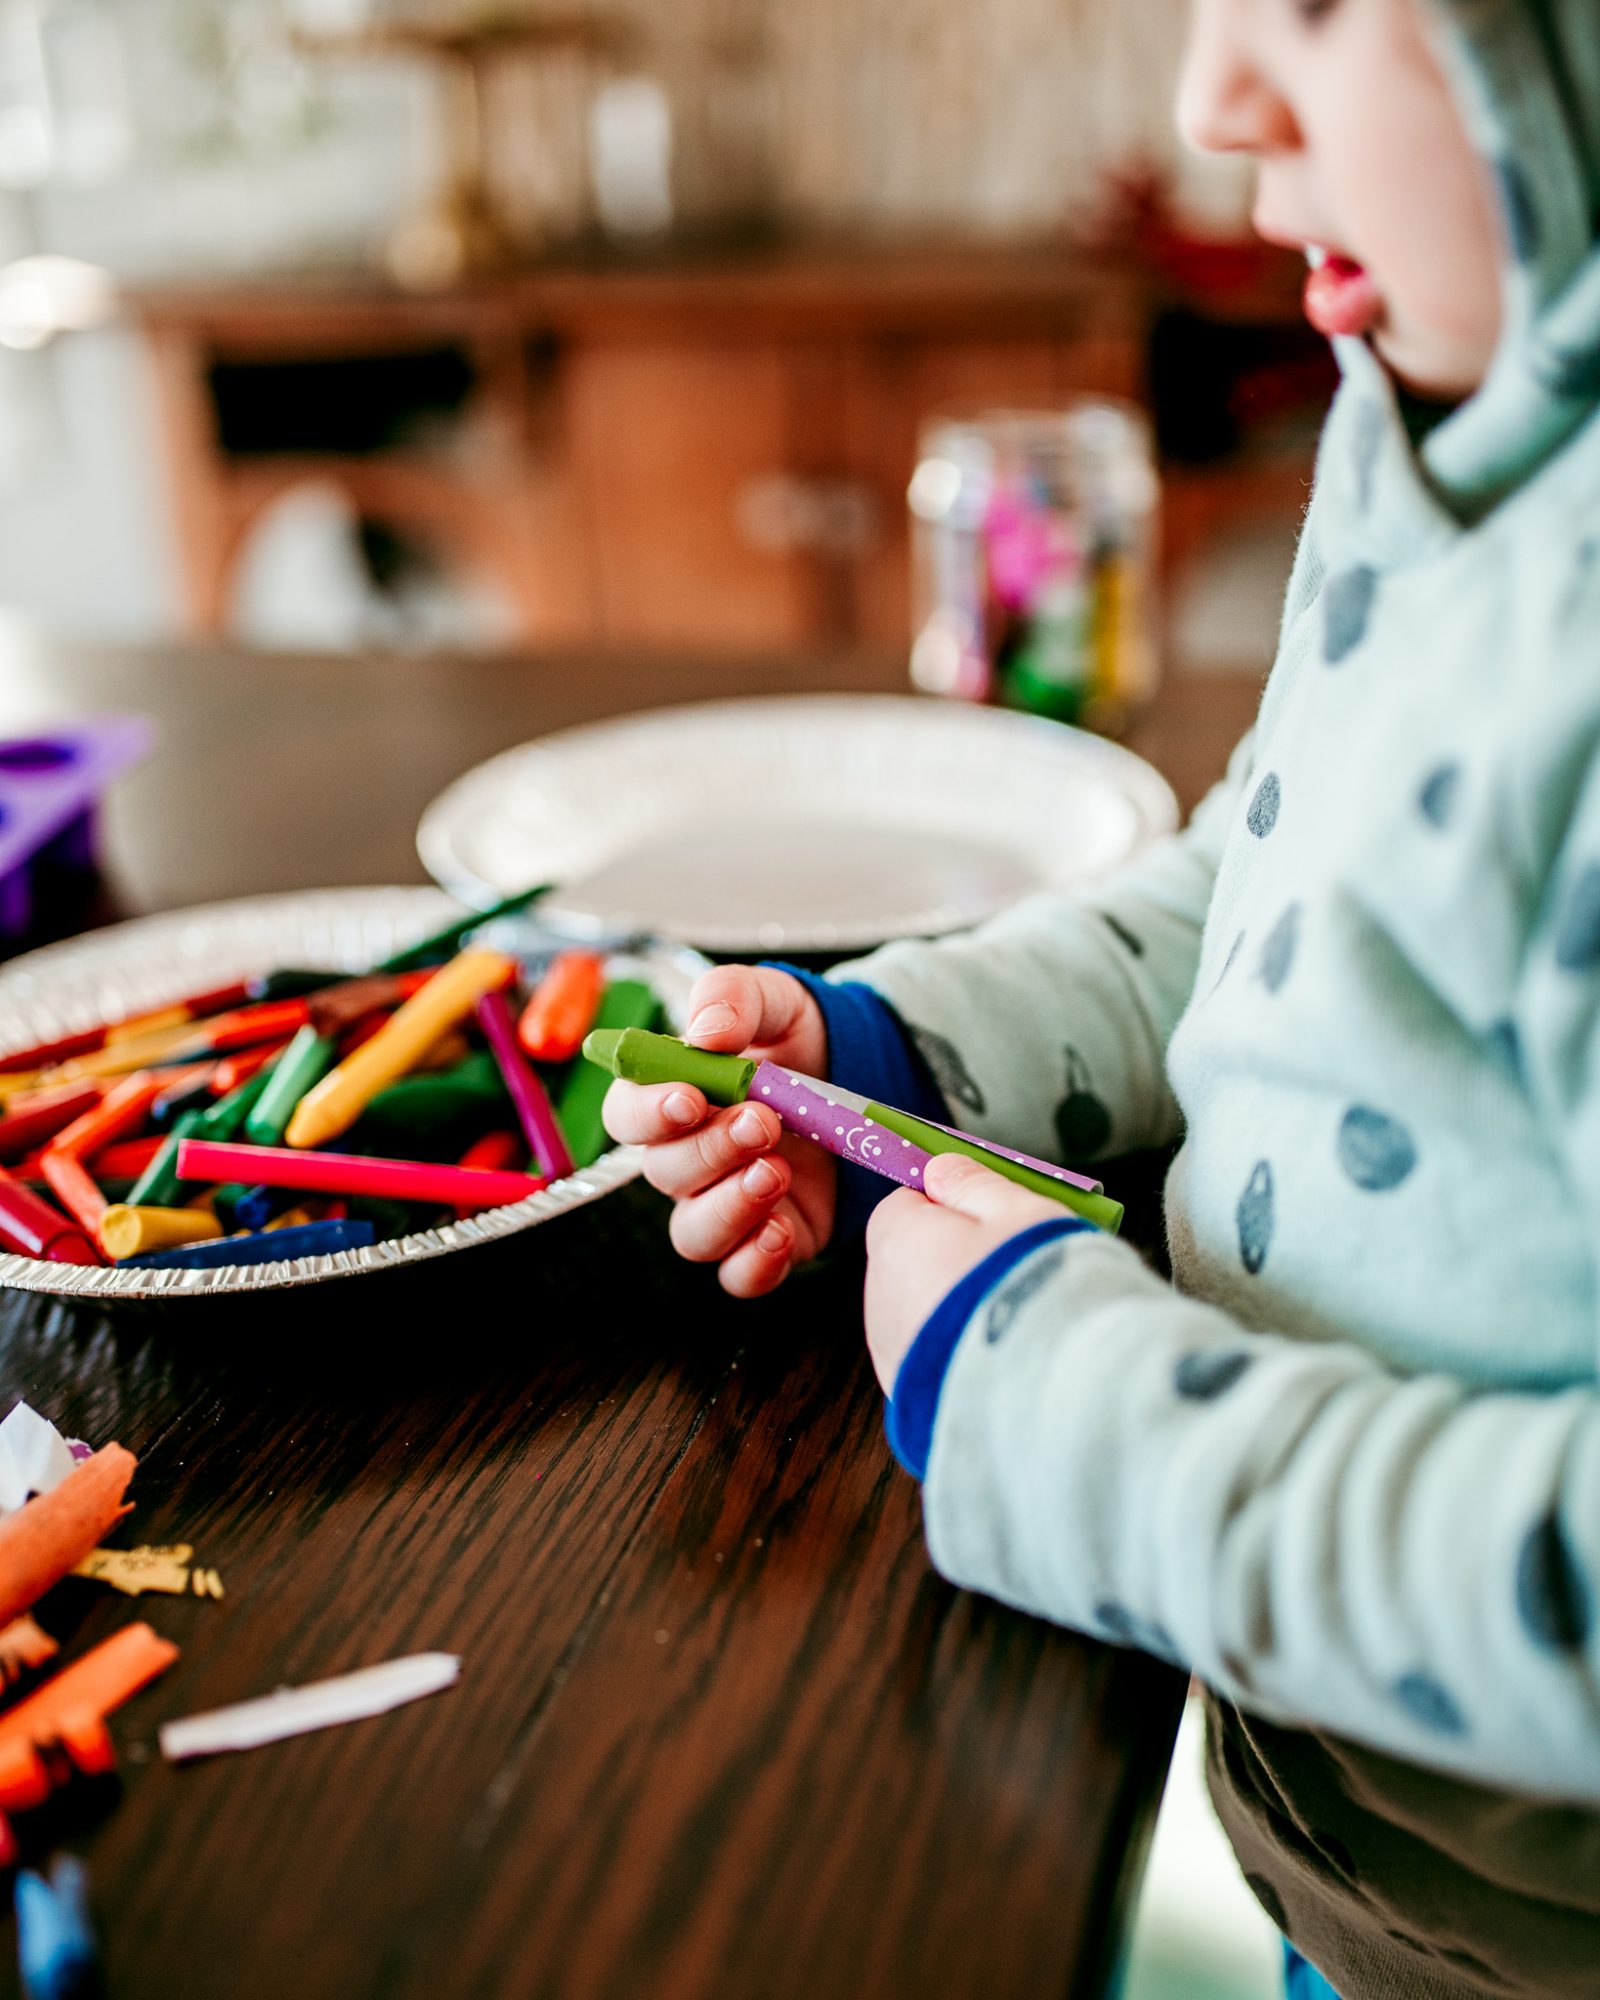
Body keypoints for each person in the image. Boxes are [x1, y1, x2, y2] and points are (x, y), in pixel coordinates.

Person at [604, 4, 1600, 1987]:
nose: (1205, 98)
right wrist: (895, 1054)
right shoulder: (1437, 412)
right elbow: (1266, 866)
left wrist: (1049, 1405)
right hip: (1350, 1840)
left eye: (1317, 11)